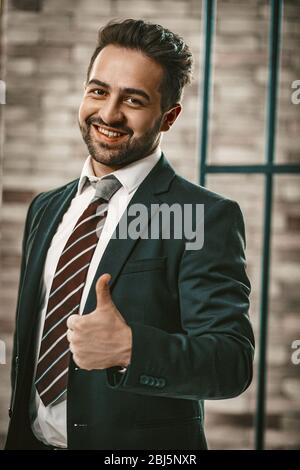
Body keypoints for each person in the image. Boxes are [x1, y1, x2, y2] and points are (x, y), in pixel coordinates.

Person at [5, 19, 254, 450]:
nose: (109, 113)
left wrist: (131, 349)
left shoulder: (200, 215)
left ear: (168, 117)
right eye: (99, 90)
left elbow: (230, 362)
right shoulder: (45, 208)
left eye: (134, 99)